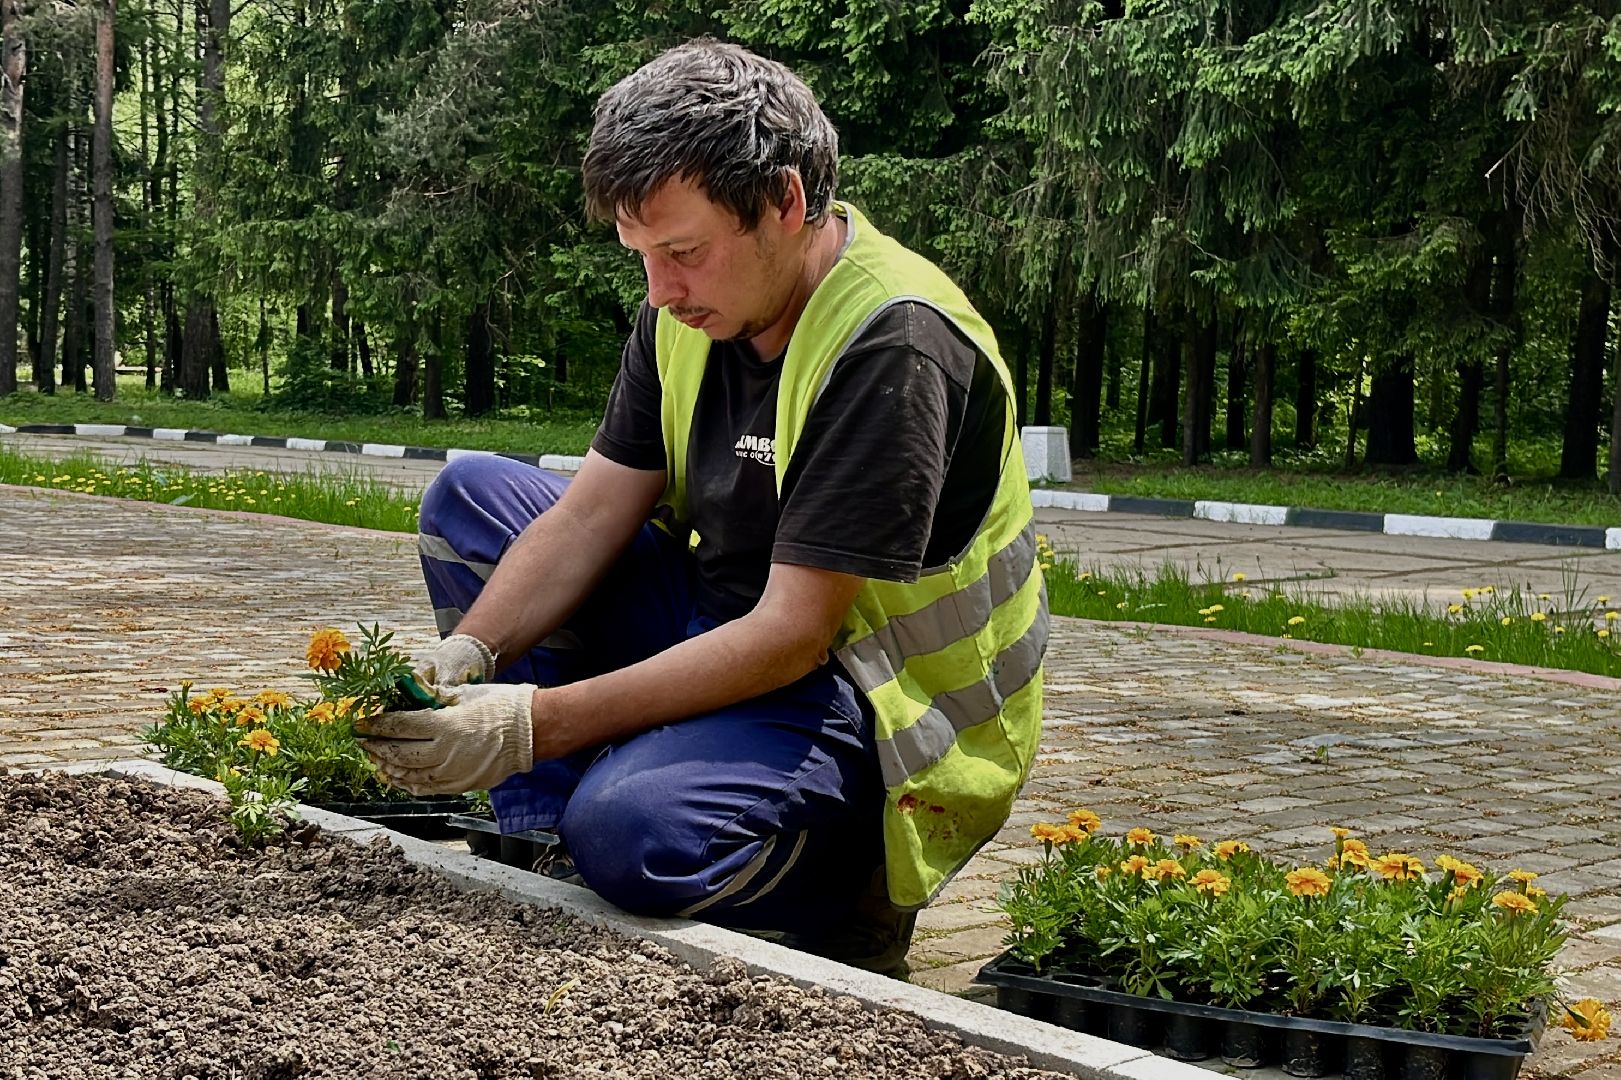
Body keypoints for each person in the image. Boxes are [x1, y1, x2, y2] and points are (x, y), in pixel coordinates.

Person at [357, 38, 1047, 978]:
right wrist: (469, 655)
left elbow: (791, 638)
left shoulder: (895, 342)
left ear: (786, 203)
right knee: (472, 494)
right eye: (640, 255)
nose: (660, 291)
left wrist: (531, 723)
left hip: (867, 705)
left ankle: (844, 896)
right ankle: (549, 836)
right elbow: (588, 515)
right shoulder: (683, 314)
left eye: (682, 252)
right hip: (720, 623)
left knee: (637, 838)